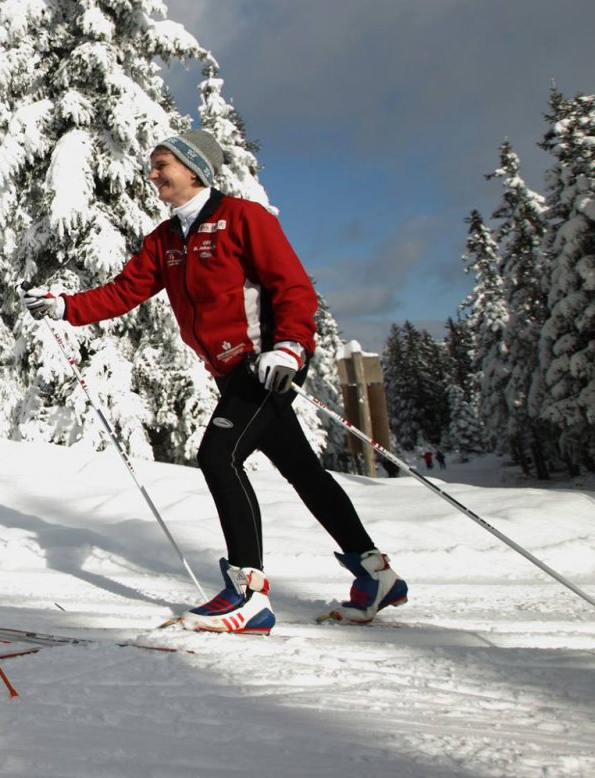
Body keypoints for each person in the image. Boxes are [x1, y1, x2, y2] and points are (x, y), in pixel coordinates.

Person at [23, 130, 408, 633]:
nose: (153, 173)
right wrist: (67, 307)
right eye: (152, 165)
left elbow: (291, 286)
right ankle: (374, 573)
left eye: (163, 164)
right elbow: (126, 290)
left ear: (194, 169)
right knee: (303, 472)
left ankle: (248, 595)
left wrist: (290, 346)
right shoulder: (166, 239)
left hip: (265, 363)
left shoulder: (243, 219)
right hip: (230, 373)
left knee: (217, 455)